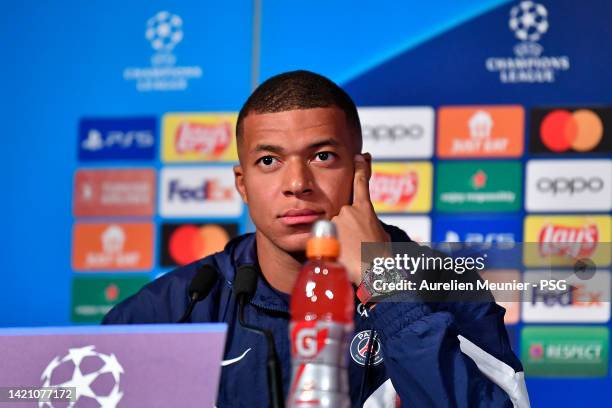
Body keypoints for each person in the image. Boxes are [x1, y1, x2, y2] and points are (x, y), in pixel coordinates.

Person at [103, 70, 529, 407]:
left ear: (361, 172)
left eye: (322, 157)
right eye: (268, 160)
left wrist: (384, 282)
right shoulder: (171, 310)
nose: (297, 184)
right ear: (242, 183)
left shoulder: (444, 287)